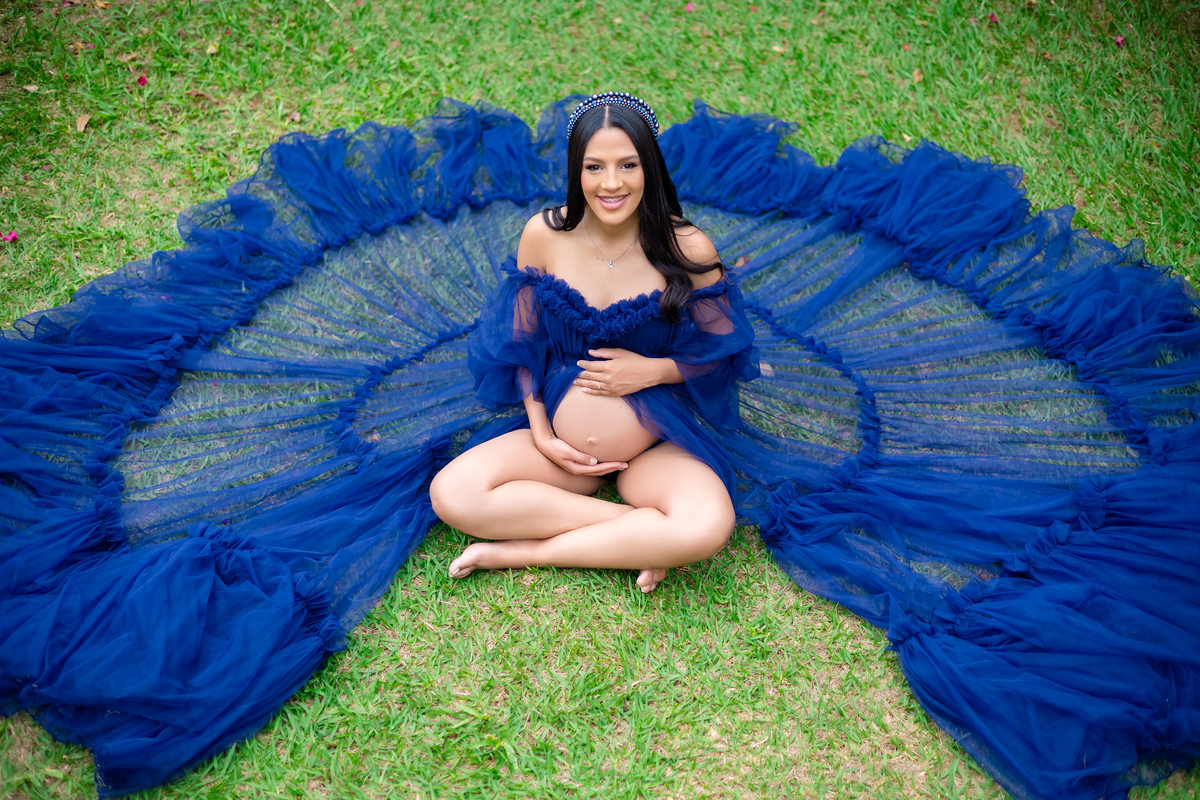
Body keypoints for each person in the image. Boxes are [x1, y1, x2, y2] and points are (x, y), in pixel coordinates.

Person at [429, 91, 759, 593]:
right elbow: (522, 342)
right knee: (453, 494)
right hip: (559, 447)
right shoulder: (544, 234)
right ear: (576, 170)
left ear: (649, 166)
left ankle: (525, 552)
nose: (611, 183)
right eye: (594, 167)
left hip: (654, 446)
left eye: (627, 165)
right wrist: (542, 433)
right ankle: (639, 534)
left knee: (708, 525)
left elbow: (724, 347)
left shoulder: (688, 246)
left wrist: (655, 370)